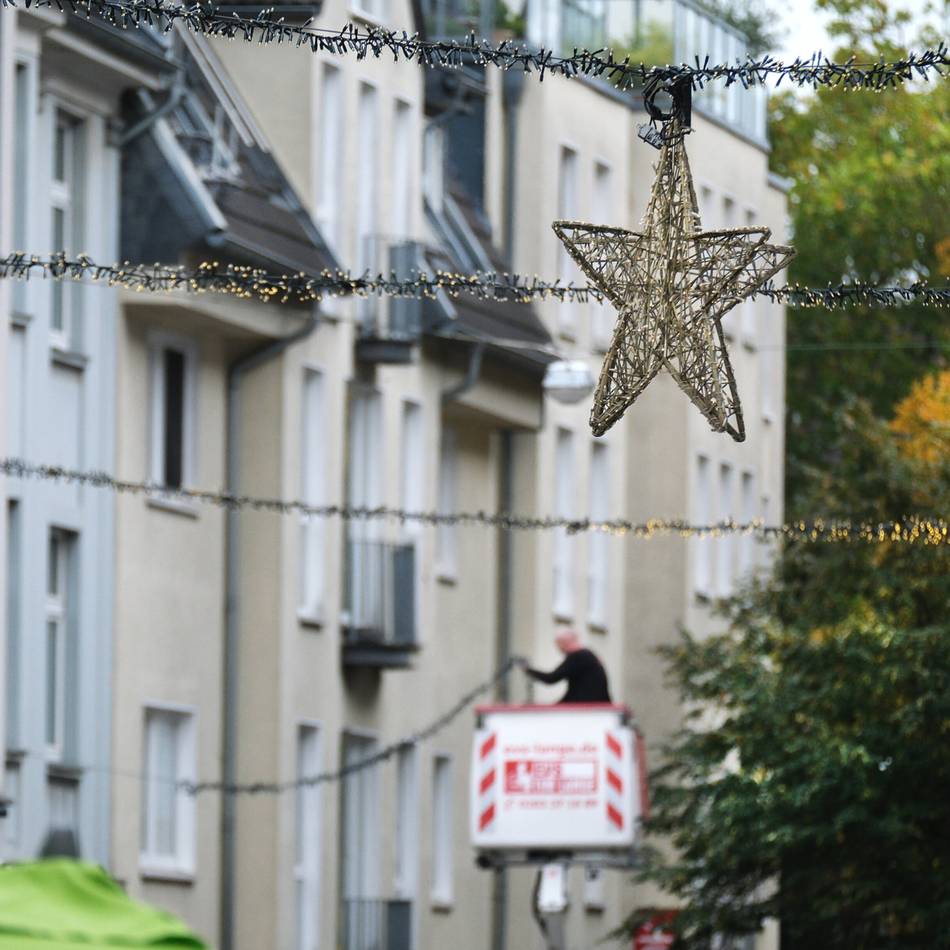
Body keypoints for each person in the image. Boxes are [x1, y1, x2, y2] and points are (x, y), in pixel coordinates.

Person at [519, 630, 612, 703]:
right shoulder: (588, 654)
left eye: (558, 645)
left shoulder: (577, 657)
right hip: (598, 705)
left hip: (588, 707)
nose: (559, 649)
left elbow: (551, 678)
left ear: (563, 643)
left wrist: (527, 670)